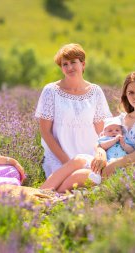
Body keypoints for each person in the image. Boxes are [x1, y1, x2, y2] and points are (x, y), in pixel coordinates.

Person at [41, 71, 135, 193]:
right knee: (78, 159)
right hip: (115, 164)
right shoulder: (123, 118)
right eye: (131, 93)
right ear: (126, 96)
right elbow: (101, 139)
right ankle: (39, 193)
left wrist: (115, 164)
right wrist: (100, 153)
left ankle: (50, 199)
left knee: (79, 175)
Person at [35, 43, 112, 178]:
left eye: (73, 62)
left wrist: (101, 153)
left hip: (90, 155)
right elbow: (45, 132)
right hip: (60, 157)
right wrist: (67, 163)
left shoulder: (95, 91)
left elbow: (102, 131)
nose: (69, 67)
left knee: (93, 180)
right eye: (65, 64)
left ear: (83, 64)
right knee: (78, 182)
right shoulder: (51, 91)